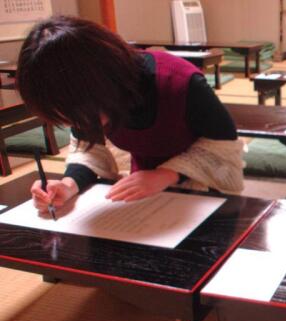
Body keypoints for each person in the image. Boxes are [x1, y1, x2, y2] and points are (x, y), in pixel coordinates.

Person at [17, 16, 244, 213]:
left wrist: (166, 174)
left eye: (74, 117)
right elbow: (90, 149)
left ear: (101, 85)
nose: (74, 124)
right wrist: (68, 184)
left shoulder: (180, 84)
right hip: (143, 191)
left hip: (201, 193)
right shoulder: (82, 101)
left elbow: (223, 150)